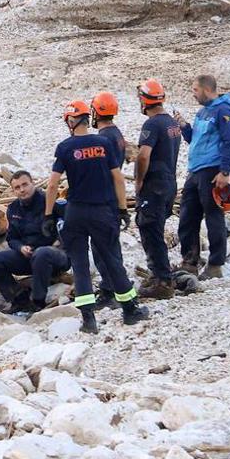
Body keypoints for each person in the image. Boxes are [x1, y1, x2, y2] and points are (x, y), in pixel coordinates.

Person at [45, 100, 148, 335]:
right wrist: (122, 209)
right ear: (86, 118)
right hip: (102, 211)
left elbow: (52, 185)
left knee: (80, 265)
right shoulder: (103, 143)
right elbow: (118, 179)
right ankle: (130, 310)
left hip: (75, 213)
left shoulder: (64, 147)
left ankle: (89, 320)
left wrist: (48, 214)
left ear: (70, 121)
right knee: (111, 260)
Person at [131, 79, 194, 298]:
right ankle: (160, 274)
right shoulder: (171, 123)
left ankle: (162, 281)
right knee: (155, 229)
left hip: (155, 186)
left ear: (145, 100)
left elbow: (143, 155)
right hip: (169, 183)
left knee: (150, 230)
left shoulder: (152, 124)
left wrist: (139, 181)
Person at [0, 171, 70, 314]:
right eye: (17, 187)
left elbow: (69, 228)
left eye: (25, 185)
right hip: (29, 256)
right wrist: (21, 247)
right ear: (13, 191)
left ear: (32, 183)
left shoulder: (50, 201)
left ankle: (38, 302)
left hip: (56, 256)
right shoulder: (13, 208)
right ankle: (19, 300)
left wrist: (59, 244)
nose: (22, 190)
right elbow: (12, 238)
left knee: (42, 253)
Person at [177, 74, 230, 278]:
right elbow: (194, 139)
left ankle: (215, 264)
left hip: (212, 171)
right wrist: (185, 126)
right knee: (187, 216)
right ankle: (190, 261)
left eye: (195, 90)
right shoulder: (202, 112)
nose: (193, 94)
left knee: (213, 217)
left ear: (206, 89)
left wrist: (225, 171)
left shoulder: (224, 110)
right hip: (195, 170)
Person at [89, 90, 126, 308]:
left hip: (103, 197)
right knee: (111, 244)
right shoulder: (117, 134)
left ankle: (111, 289)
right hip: (113, 196)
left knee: (102, 247)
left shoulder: (102, 138)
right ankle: (115, 287)